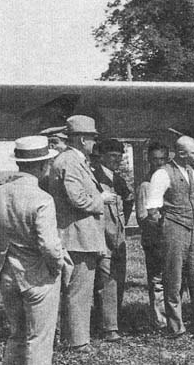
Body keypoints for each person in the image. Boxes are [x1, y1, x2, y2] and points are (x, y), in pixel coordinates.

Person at [0, 136, 71, 365]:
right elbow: (49, 245)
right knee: (39, 337)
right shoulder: (42, 199)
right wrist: (56, 268)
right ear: (42, 165)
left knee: (16, 334)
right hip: (38, 276)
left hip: (7, 275)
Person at [143, 136, 194, 339]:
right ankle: (176, 329)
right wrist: (165, 230)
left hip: (193, 229)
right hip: (173, 230)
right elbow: (152, 208)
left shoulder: (190, 171)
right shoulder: (162, 173)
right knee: (173, 281)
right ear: (182, 154)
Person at [47, 115, 107, 351]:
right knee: (79, 291)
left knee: (74, 289)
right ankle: (77, 341)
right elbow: (78, 199)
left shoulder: (70, 160)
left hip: (76, 235)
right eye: (92, 138)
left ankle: (69, 337)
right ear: (82, 139)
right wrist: (101, 199)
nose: (94, 143)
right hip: (77, 237)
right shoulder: (70, 162)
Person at [90, 138, 133, 341]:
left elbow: (128, 201)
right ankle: (109, 327)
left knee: (118, 278)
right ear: (102, 157)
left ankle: (113, 321)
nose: (117, 160)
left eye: (119, 156)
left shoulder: (118, 179)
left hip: (117, 235)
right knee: (106, 280)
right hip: (101, 235)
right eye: (113, 156)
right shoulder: (94, 177)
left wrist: (119, 225)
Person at [135, 142, 170, 331]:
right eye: (155, 159)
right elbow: (142, 217)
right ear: (149, 160)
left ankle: (173, 316)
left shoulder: (168, 180)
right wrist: (161, 221)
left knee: (173, 278)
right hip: (154, 240)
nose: (159, 163)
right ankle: (160, 321)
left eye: (163, 159)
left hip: (171, 239)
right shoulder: (146, 186)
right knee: (158, 280)